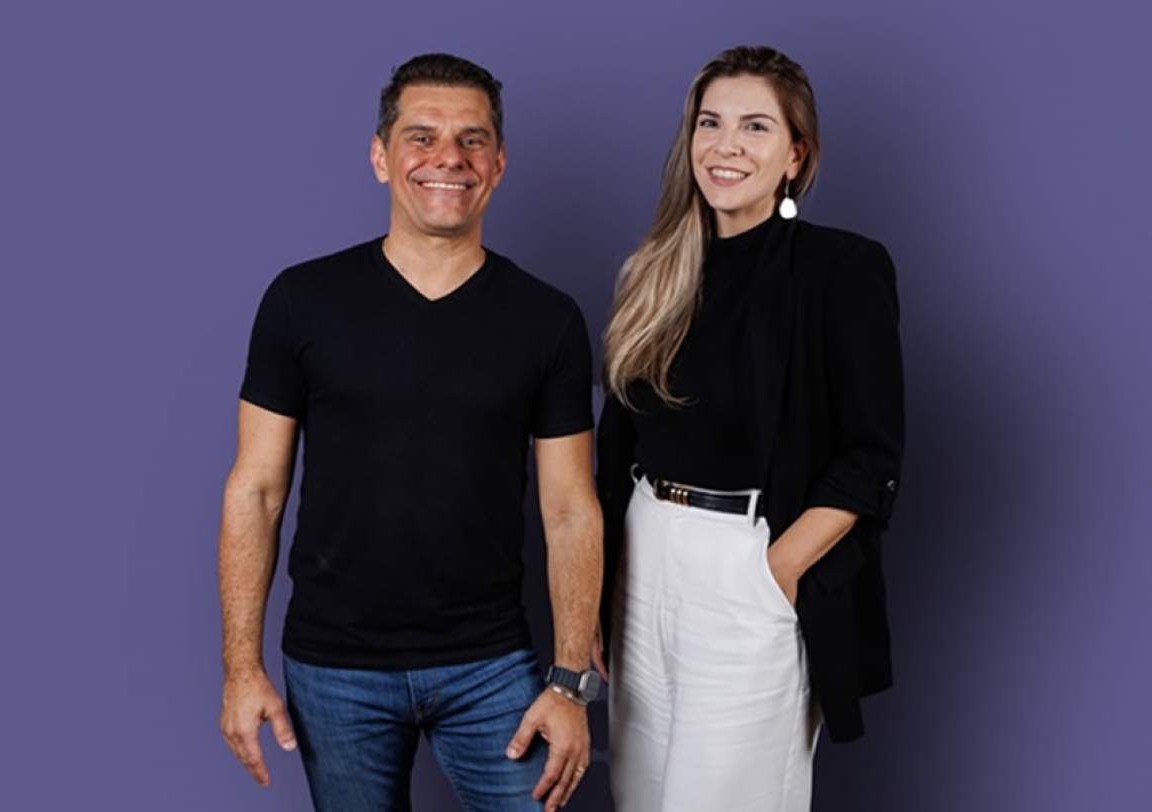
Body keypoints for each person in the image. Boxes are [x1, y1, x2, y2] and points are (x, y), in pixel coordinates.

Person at [217, 53, 604, 812]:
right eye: (422, 136)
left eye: (471, 139)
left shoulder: (548, 319)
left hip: (491, 662)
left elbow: (570, 508)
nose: (448, 158)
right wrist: (241, 666)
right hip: (334, 667)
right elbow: (256, 490)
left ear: (497, 163)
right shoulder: (301, 300)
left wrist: (569, 683)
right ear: (380, 156)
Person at [594, 45, 905, 811]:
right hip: (642, 561)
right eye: (710, 123)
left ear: (796, 155)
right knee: (639, 798)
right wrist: (596, 597)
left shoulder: (842, 269)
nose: (725, 145)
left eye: (755, 126)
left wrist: (776, 571)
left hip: (748, 563)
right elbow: (617, 447)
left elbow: (872, 453)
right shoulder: (653, 272)